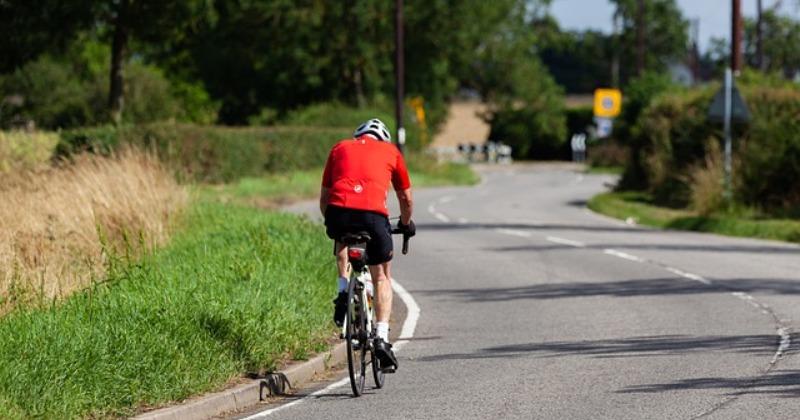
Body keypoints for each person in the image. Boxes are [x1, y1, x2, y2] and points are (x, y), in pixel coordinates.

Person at [320, 118, 415, 371]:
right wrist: (405, 223)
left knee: (342, 239)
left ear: (357, 135)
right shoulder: (391, 151)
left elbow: (325, 197)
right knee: (382, 275)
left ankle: (342, 290)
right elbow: (405, 197)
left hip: (339, 214)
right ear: (382, 138)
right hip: (374, 217)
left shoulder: (340, 147)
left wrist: (332, 221)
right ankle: (382, 338)